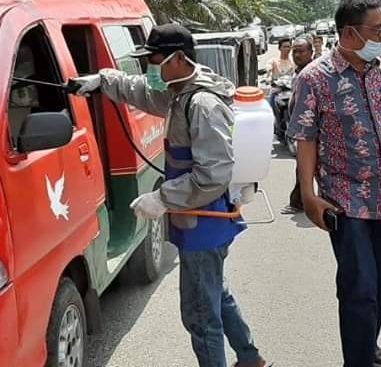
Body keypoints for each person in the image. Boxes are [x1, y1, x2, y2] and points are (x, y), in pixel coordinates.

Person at [68, 23, 271, 367]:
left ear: (177, 58)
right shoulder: (181, 93)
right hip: (197, 219)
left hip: (204, 221)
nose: (149, 67)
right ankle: (250, 359)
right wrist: (103, 81)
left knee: (199, 314)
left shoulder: (203, 104)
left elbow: (213, 175)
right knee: (215, 295)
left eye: (154, 59)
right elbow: (144, 93)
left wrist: (162, 198)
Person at [287, 0, 381, 367]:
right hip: (345, 199)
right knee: (359, 286)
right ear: (350, 33)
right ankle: (358, 360)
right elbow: (305, 139)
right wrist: (309, 195)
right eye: (377, 30)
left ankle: (366, 342)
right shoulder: (314, 78)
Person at [282, 36, 315, 215]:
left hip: (312, 130)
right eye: (295, 52)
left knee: (305, 167)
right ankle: (299, 201)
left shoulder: (314, 73)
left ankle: (299, 201)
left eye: (302, 51)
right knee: (303, 167)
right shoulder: (298, 72)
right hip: (301, 129)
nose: (297, 55)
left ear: (311, 52)